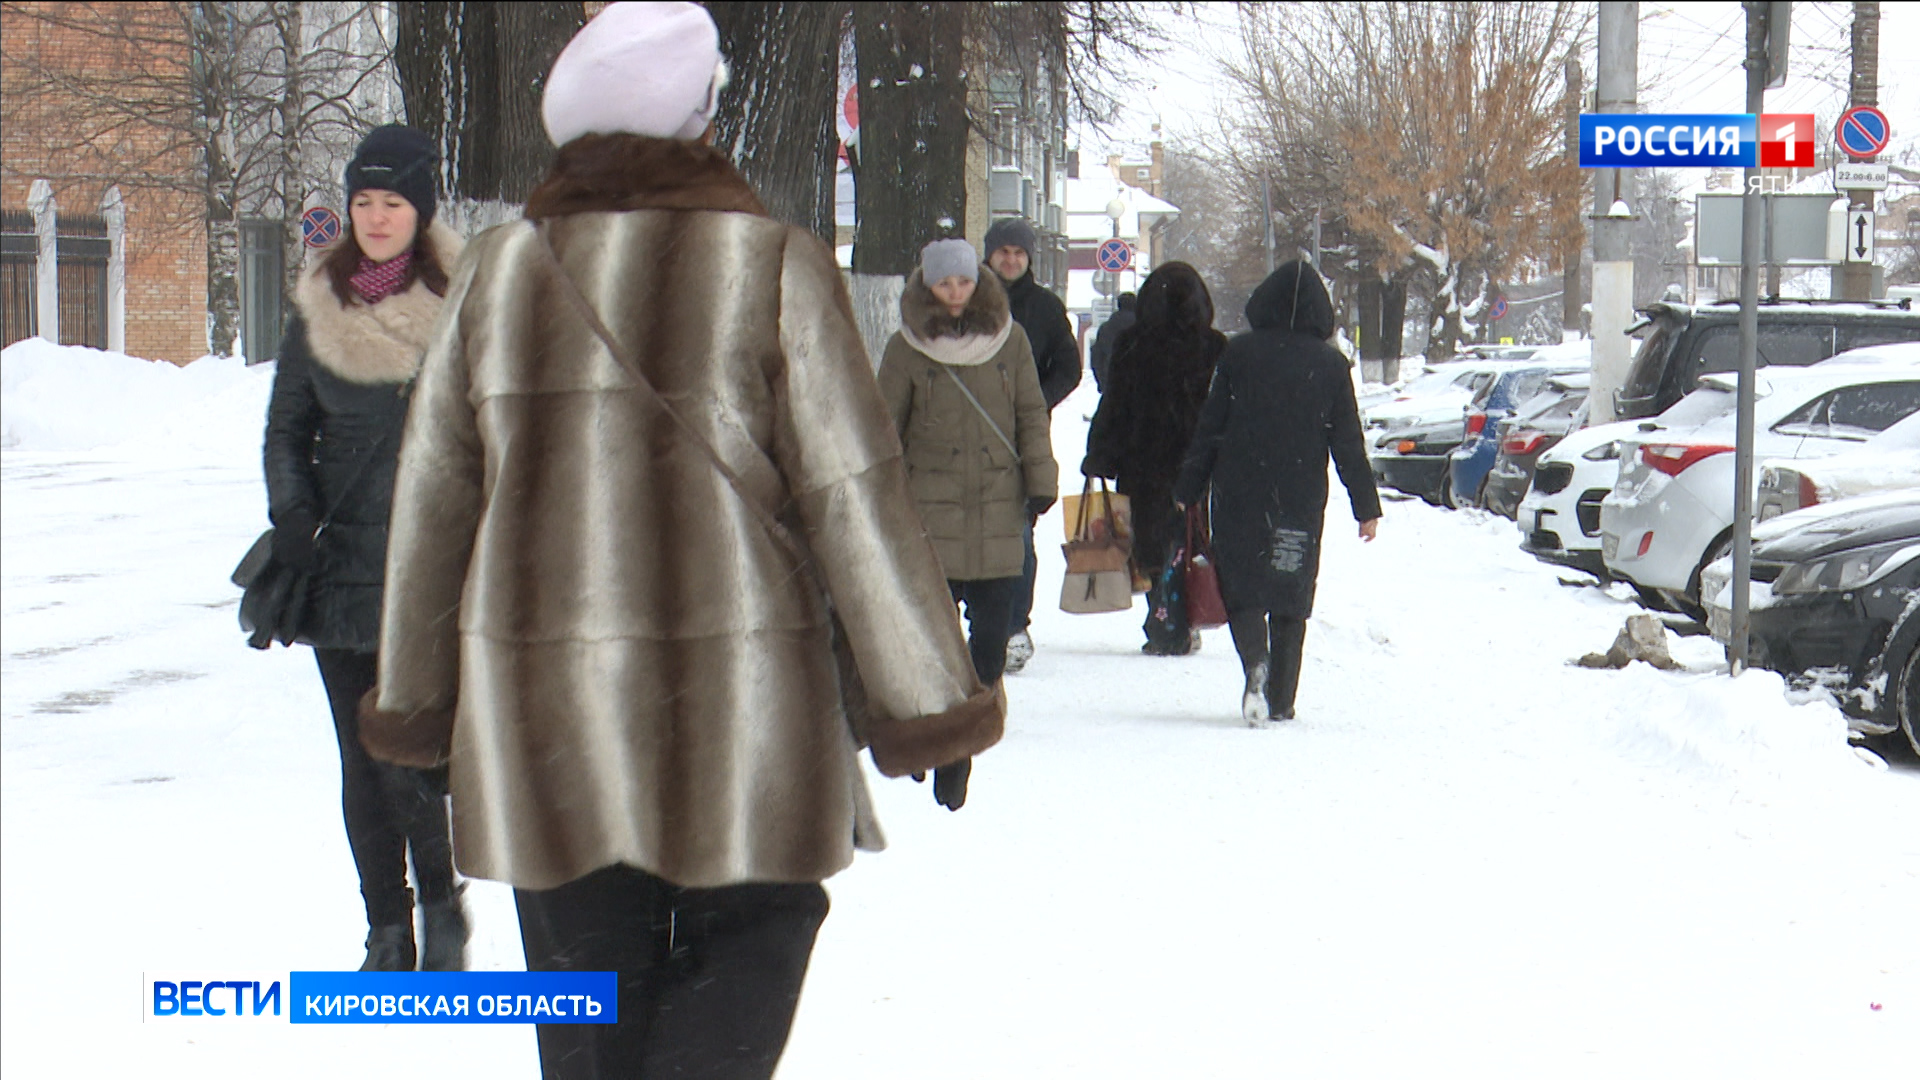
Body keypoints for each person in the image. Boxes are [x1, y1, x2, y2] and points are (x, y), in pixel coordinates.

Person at [362, 5, 1003, 1076]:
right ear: (703, 120)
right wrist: (928, 703)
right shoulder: (775, 266)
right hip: (742, 724)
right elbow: (856, 498)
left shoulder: (495, 274)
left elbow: (432, 505)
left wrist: (419, 707)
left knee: (592, 1028)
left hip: (547, 729)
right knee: (750, 951)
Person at [261, 124, 467, 971]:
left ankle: (443, 899)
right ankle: (388, 926)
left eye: (393, 202)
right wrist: (292, 513)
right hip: (339, 563)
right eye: (363, 202)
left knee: (412, 751)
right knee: (359, 754)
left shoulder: (463, 304)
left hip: (430, 565)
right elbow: (284, 428)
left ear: (420, 209)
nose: (376, 217)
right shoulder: (318, 304)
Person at [878, 238, 1059, 800]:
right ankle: (936, 739)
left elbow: (1030, 411)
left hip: (998, 507)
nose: (954, 293)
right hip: (930, 513)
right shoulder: (906, 349)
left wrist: (1041, 478)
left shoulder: (1011, 340)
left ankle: (959, 747)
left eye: (962, 282)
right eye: (943, 284)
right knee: (930, 641)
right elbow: (884, 426)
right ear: (928, 286)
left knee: (987, 647)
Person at [1174, 259, 1382, 724]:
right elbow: (1347, 441)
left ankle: (1255, 664)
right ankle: (1283, 700)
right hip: (1299, 495)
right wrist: (1365, 506)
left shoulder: (1238, 355)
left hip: (1240, 490)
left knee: (1243, 587)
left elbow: (1210, 428)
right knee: (1290, 594)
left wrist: (1189, 487)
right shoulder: (1330, 365)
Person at [1082, 263, 1226, 656]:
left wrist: (1100, 454)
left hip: (1142, 459)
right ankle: (1176, 616)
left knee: (1150, 541)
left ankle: (1163, 616)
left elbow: (1113, 403)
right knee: (1190, 538)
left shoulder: (1133, 342)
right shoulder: (1213, 346)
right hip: (1194, 461)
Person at [983, 216, 1079, 675]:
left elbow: (1069, 366)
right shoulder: (967, 301)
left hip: (1024, 438)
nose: (1011, 259)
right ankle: (980, 622)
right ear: (989, 254)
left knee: (1020, 531)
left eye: (1019, 252)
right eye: (1003, 251)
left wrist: (1035, 402)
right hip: (967, 434)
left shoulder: (1043, 307)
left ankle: (1015, 626)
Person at [1087, 290, 1137, 392]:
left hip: (1112, 386)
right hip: (1139, 389)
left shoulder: (1106, 328)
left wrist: (1102, 383)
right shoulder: (1144, 328)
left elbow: (1096, 358)